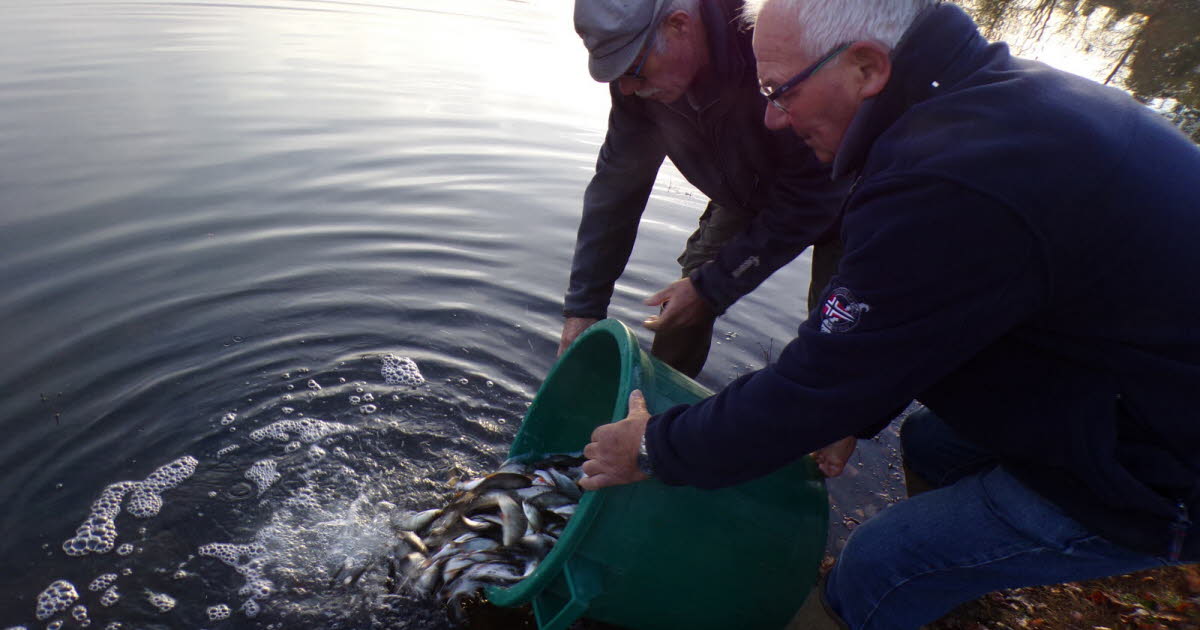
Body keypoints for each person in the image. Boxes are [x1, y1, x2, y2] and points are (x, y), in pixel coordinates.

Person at [578, 0, 1200, 628]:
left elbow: (819, 383)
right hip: (1124, 374)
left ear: (867, 67)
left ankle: (906, 586)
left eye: (779, 91)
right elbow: (891, 335)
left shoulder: (949, 175)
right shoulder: (977, 103)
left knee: (881, 562)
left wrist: (656, 446)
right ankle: (955, 585)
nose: (771, 119)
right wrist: (856, 395)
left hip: (1169, 465)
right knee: (932, 444)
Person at [562, 0, 850, 377]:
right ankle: (650, 417)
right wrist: (584, 308)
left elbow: (814, 194)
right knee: (683, 308)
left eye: (634, 70)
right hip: (747, 188)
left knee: (835, 340)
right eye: (618, 75)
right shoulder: (636, 83)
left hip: (847, 193)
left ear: (679, 25)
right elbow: (618, 184)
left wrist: (715, 285)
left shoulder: (771, 40)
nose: (629, 89)